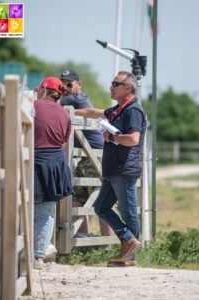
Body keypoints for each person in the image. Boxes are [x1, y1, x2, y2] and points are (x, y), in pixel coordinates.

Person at [75, 71, 147, 267]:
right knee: (101, 207)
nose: (111, 87)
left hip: (123, 170)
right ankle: (129, 242)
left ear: (128, 88)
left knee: (128, 213)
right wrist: (68, 111)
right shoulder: (118, 110)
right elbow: (95, 112)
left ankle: (130, 256)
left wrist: (112, 137)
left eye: (115, 84)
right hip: (113, 170)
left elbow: (133, 139)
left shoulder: (133, 110)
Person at [59, 69, 113, 237]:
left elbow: (54, 103)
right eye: (62, 85)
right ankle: (84, 236)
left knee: (98, 199)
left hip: (94, 154)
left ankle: (105, 242)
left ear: (79, 85)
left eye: (69, 84)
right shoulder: (72, 99)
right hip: (83, 155)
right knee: (78, 198)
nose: (65, 88)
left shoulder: (77, 98)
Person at [34, 77, 74, 269]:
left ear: (43, 90)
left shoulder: (32, 106)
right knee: (46, 212)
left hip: (35, 161)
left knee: (25, 209)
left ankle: (24, 255)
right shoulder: (65, 114)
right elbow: (63, 143)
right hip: (56, 163)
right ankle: (38, 257)